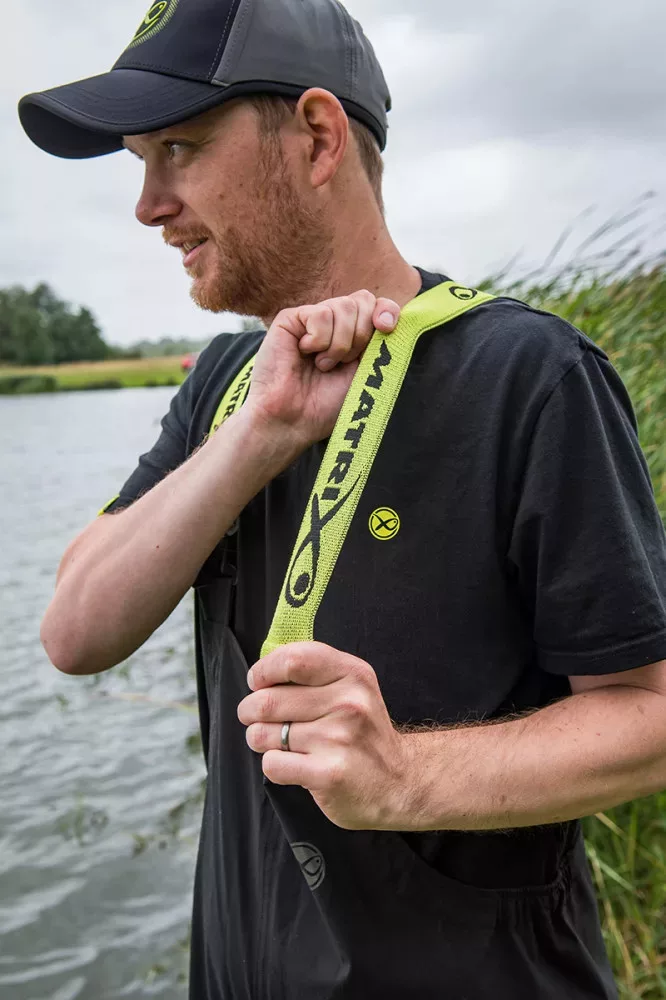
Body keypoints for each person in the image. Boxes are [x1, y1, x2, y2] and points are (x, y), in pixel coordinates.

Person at [19, 1, 666, 997]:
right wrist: (261, 433)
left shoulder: (529, 376)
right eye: (140, 163)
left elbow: (648, 715)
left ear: (319, 137)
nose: (148, 205)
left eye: (178, 149)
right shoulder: (226, 387)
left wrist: (406, 775)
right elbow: (74, 630)